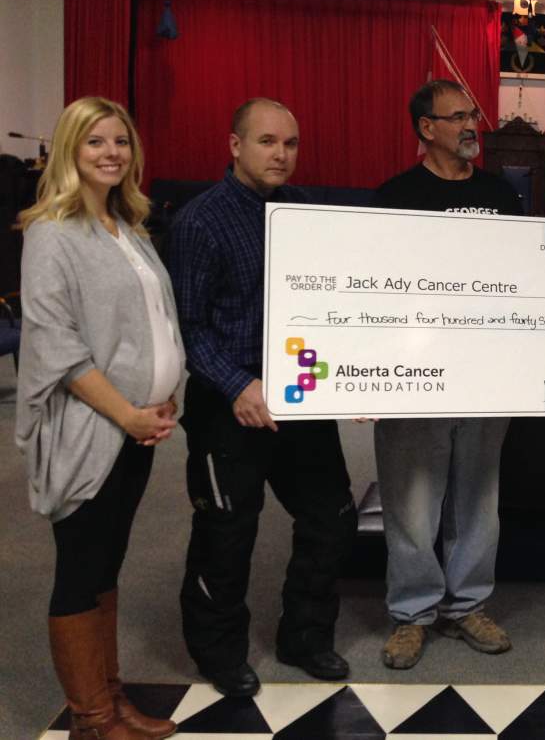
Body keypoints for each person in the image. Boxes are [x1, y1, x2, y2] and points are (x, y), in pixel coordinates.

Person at [169, 98, 357, 698]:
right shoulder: (200, 222)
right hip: (231, 404)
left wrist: (359, 376)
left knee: (331, 517)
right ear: (234, 145)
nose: (281, 154)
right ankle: (218, 652)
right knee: (227, 531)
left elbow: (332, 307)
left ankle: (305, 636)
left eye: (291, 144)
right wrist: (237, 386)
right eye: (267, 142)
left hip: (301, 396)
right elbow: (189, 329)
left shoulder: (307, 213)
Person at [16, 97, 183, 740]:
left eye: (121, 142)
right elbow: (57, 345)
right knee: (81, 567)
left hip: (137, 427)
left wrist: (162, 398)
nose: (111, 153)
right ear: (69, 151)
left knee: (108, 562)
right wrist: (129, 414)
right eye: (95, 143)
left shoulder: (129, 227)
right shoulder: (52, 233)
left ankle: (112, 702)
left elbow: (153, 327)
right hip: (92, 429)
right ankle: (91, 717)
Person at [372, 80, 522, 670]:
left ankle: (467, 606)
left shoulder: (503, 197)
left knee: (479, 497)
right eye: (456, 117)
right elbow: (371, 291)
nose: (470, 127)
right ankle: (412, 613)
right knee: (412, 497)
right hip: (414, 376)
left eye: (473, 116)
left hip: (487, 375)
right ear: (425, 129)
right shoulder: (393, 197)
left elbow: (523, 281)